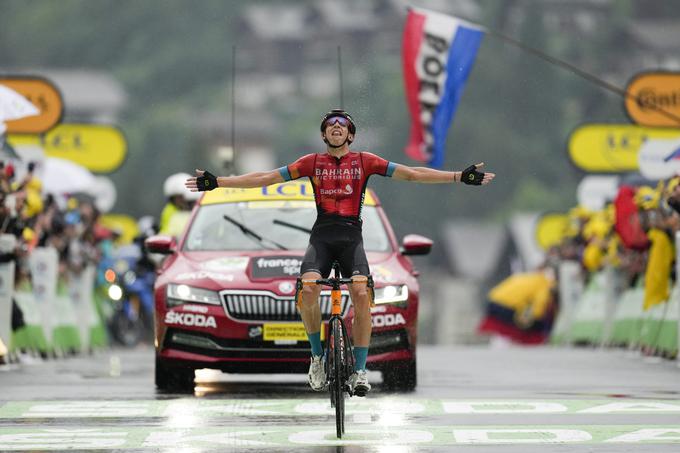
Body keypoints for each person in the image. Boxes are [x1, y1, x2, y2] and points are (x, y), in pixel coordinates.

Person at [186, 109, 495, 395]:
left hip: (351, 239)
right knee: (308, 290)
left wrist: (457, 177)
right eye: (330, 125)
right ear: (324, 135)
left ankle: (360, 371)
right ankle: (317, 357)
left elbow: (412, 174)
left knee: (361, 294)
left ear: (350, 135)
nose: (336, 128)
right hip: (322, 238)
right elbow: (264, 178)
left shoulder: (366, 161)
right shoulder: (311, 163)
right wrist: (218, 182)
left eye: (342, 125)